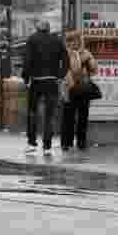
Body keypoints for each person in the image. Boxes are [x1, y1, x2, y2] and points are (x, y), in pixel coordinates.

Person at [22, 18, 67, 158]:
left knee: (32, 112)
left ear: (37, 28)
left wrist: (26, 77)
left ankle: (31, 143)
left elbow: (27, 60)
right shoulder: (57, 40)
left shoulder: (32, 39)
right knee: (50, 115)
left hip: (36, 81)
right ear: (48, 29)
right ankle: (47, 146)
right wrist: (60, 75)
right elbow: (66, 59)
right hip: (52, 82)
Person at [59, 29, 99, 156]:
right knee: (68, 117)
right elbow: (60, 70)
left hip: (82, 88)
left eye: (74, 40)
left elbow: (93, 70)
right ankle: (66, 142)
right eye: (69, 41)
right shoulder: (63, 54)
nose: (72, 43)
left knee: (83, 116)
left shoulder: (85, 53)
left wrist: (89, 61)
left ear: (79, 41)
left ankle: (81, 142)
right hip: (68, 88)